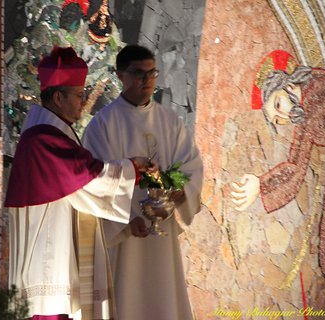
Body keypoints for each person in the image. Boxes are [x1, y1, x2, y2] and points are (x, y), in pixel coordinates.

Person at [4, 46, 156, 320]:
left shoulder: (52, 130)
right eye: (78, 94)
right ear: (59, 97)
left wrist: (126, 222)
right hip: (48, 256)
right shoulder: (44, 138)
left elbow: (81, 196)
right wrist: (133, 166)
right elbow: (88, 179)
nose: (83, 101)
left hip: (55, 246)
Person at [82, 44, 203, 320]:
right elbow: (95, 180)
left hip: (163, 231)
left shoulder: (169, 121)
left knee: (162, 295)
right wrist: (125, 221)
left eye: (152, 73)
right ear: (120, 75)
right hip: (126, 233)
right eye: (138, 74)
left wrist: (178, 193)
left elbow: (192, 165)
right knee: (127, 299)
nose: (147, 81)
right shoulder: (103, 125)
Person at [231, 63, 325, 281]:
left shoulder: (315, 93)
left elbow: (296, 167)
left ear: (289, 85)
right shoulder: (311, 96)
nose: (284, 116)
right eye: (277, 120)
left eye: (278, 104)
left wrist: (260, 185)